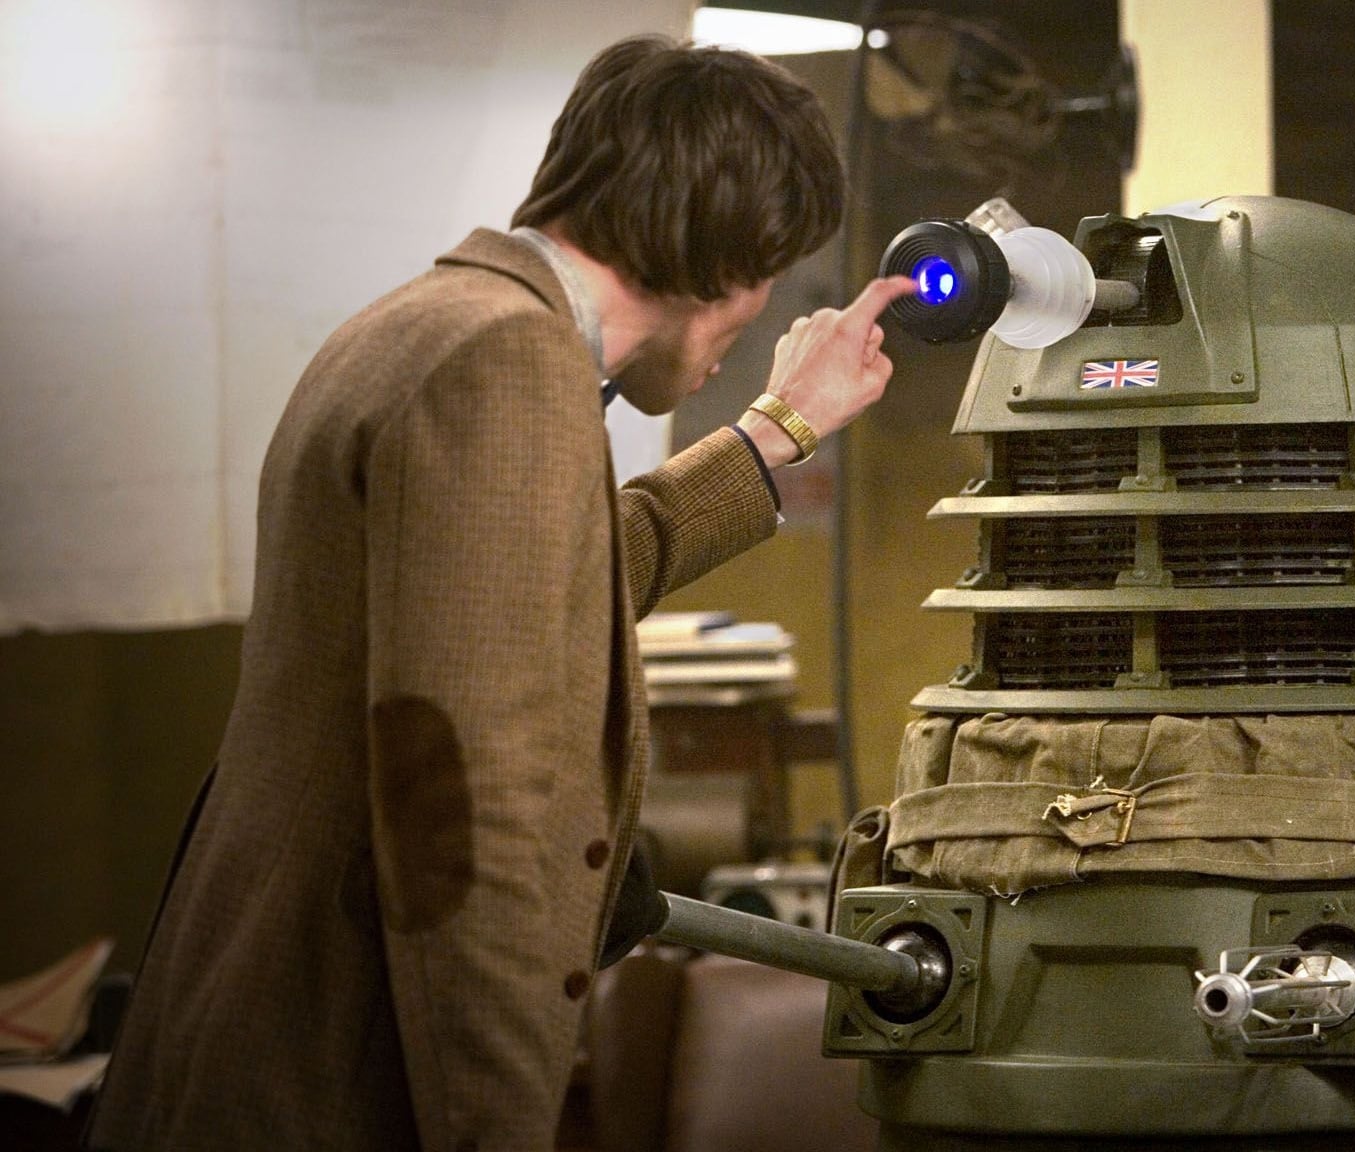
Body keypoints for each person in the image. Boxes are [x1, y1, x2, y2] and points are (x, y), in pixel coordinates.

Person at [87, 34, 912, 1152]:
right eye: (769, 272)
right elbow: (476, 802)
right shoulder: (505, 365)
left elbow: (547, 589)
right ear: (732, 253)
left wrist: (773, 434)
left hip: (260, 1040)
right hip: (331, 1076)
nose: (759, 311)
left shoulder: (434, 323)